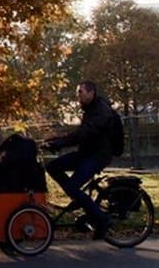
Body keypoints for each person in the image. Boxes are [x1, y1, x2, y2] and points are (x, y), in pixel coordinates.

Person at [43, 80, 117, 239]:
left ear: (91, 93)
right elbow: (81, 134)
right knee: (53, 166)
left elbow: (85, 133)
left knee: (72, 186)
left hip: (97, 156)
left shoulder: (101, 110)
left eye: (80, 92)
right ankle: (77, 198)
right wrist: (56, 142)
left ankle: (103, 219)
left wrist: (61, 143)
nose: (78, 96)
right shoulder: (90, 109)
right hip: (86, 153)